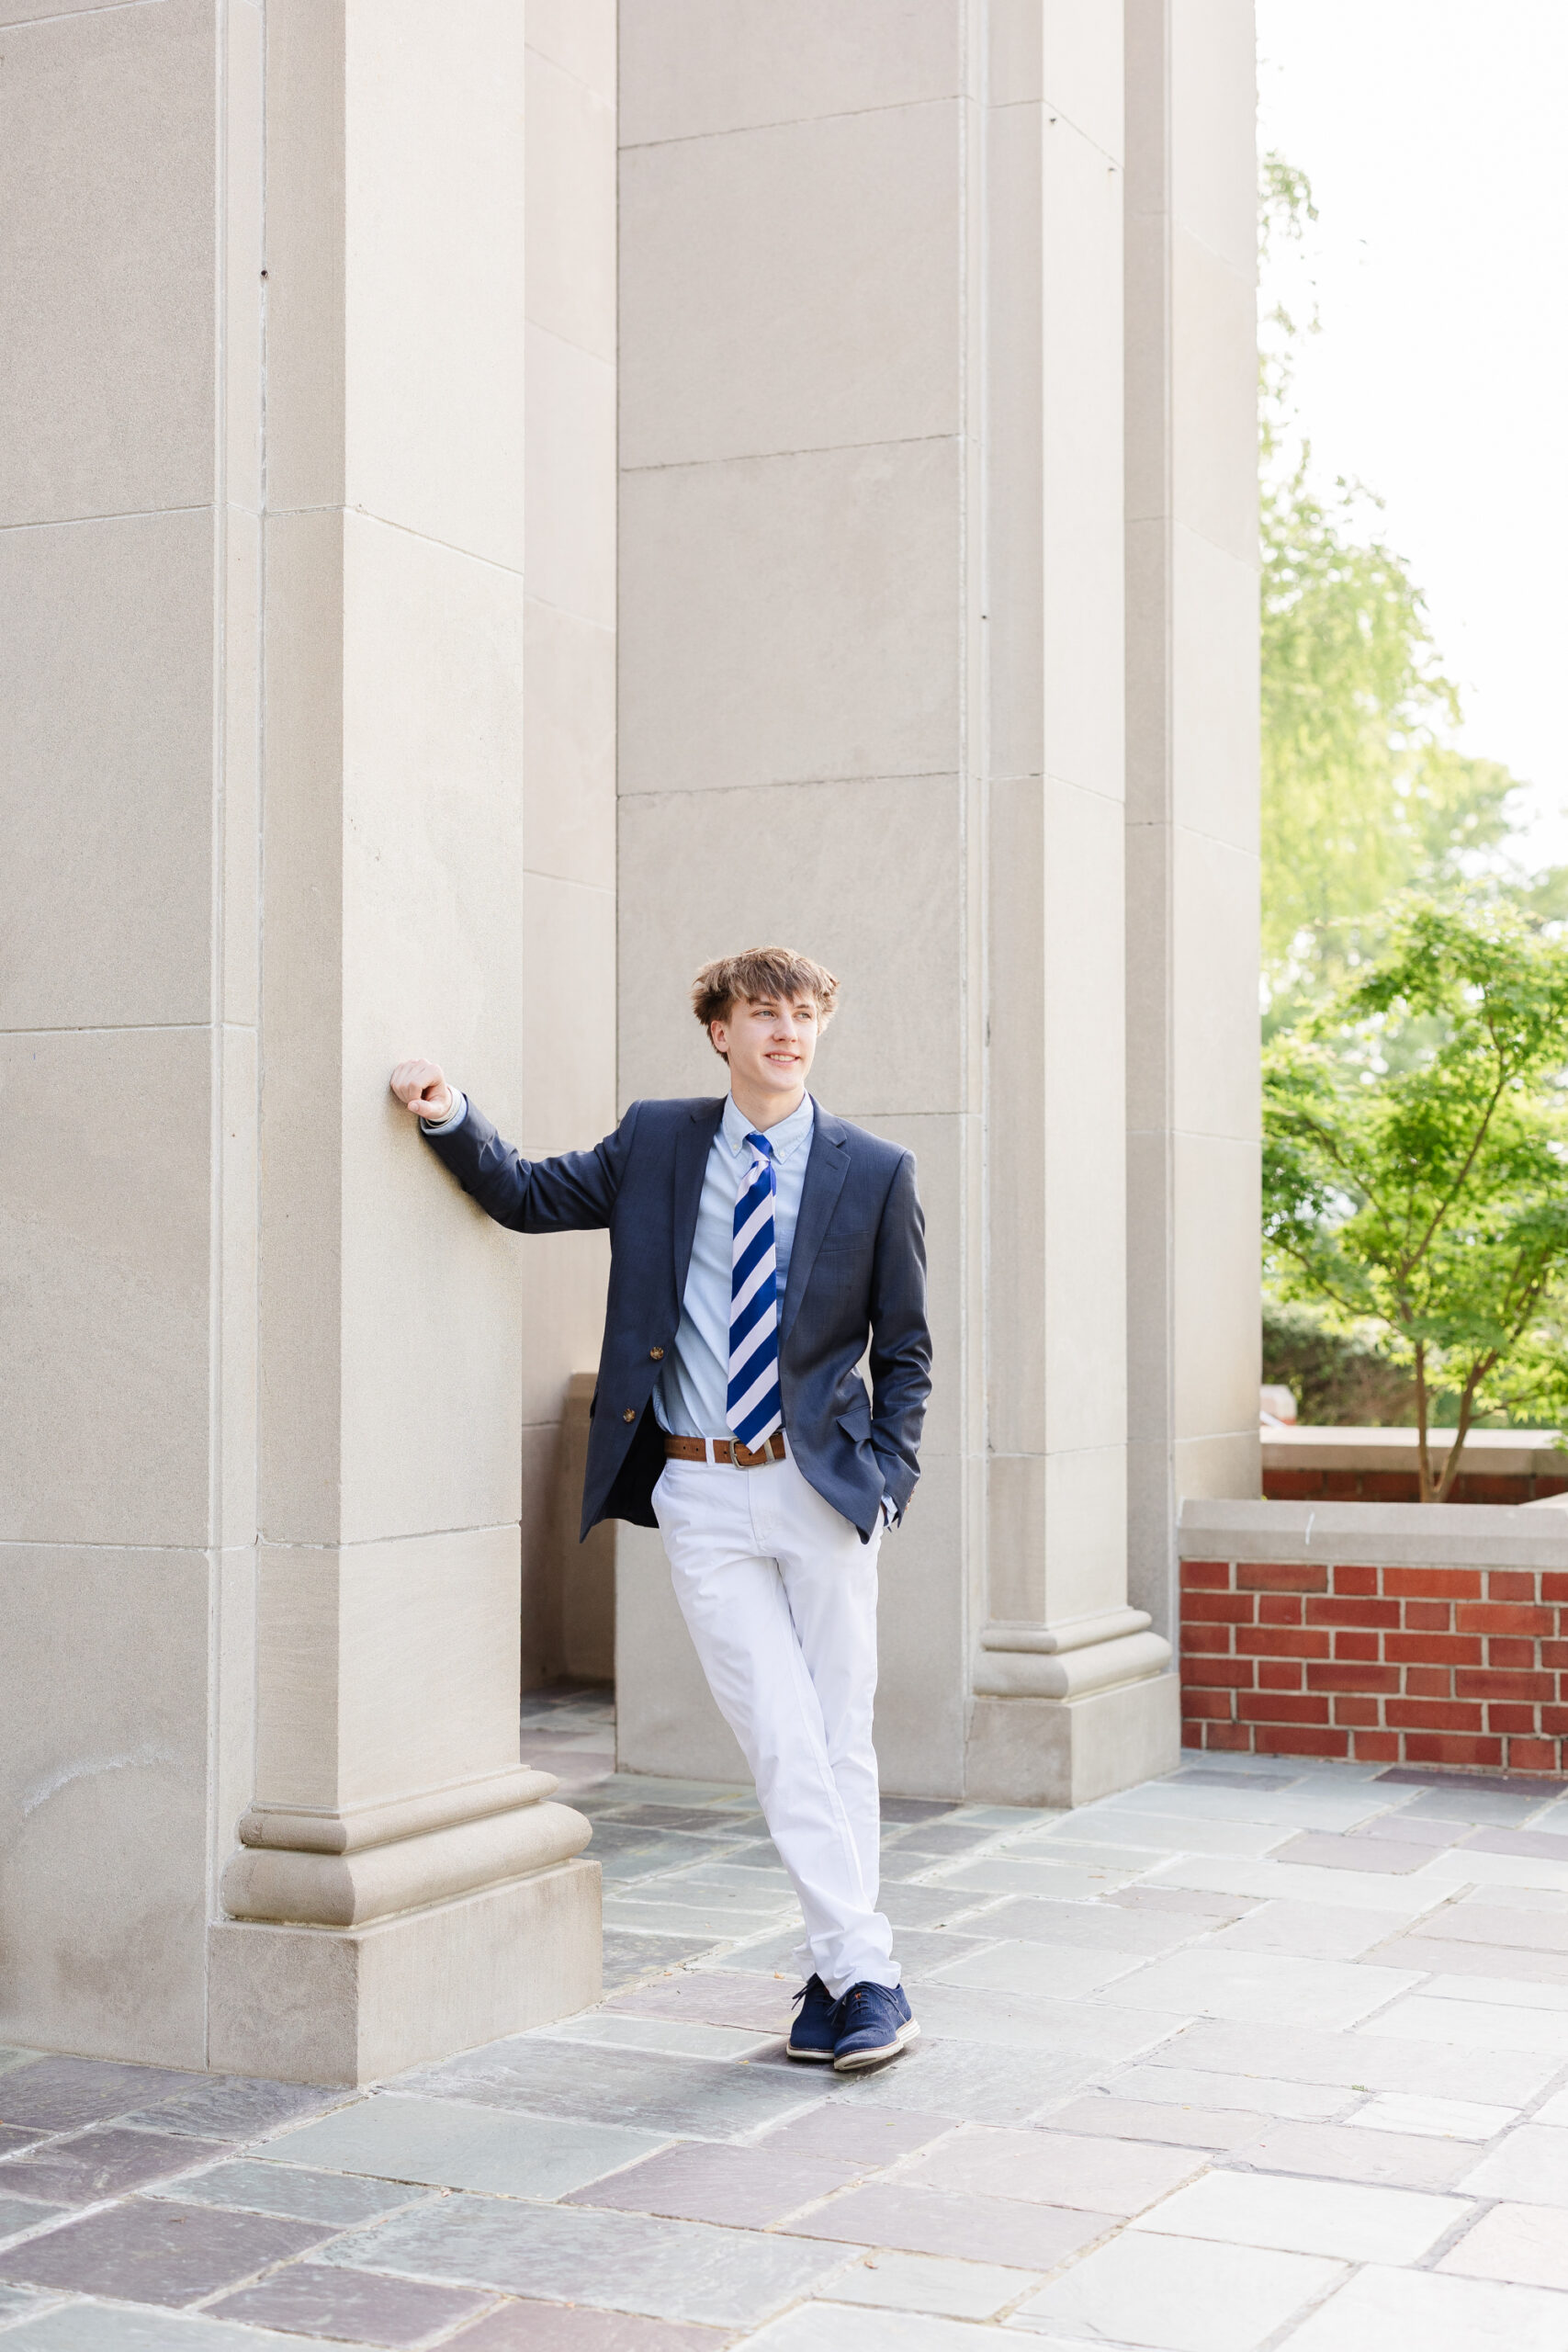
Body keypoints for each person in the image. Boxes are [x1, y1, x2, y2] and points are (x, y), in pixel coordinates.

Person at [390, 947, 931, 2070]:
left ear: (819, 1030)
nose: (785, 1031)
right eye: (761, 1013)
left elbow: (907, 1347)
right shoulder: (658, 1141)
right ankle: (869, 1972)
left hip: (820, 1488)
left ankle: (841, 1978)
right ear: (720, 1032)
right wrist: (451, 1118)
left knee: (837, 1738)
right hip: (697, 1484)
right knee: (781, 1736)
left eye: (803, 1014)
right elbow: (532, 1195)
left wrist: (885, 1478)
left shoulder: (873, 1169)